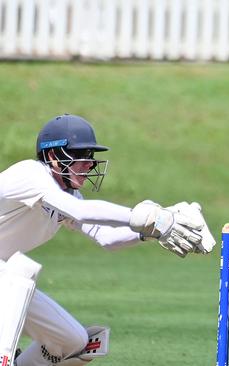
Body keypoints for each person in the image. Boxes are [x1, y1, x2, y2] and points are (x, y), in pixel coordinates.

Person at [0, 114, 216, 365]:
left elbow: (107, 238)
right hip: (7, 281)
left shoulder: (68, 195)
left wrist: (152, 229)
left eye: (89, 156)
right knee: (19, 276)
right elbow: (81, 211)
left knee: (74, 341)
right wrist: (148, 217)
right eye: (79, 155)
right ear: (52, 156)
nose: (87, 164)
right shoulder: (30, 174)